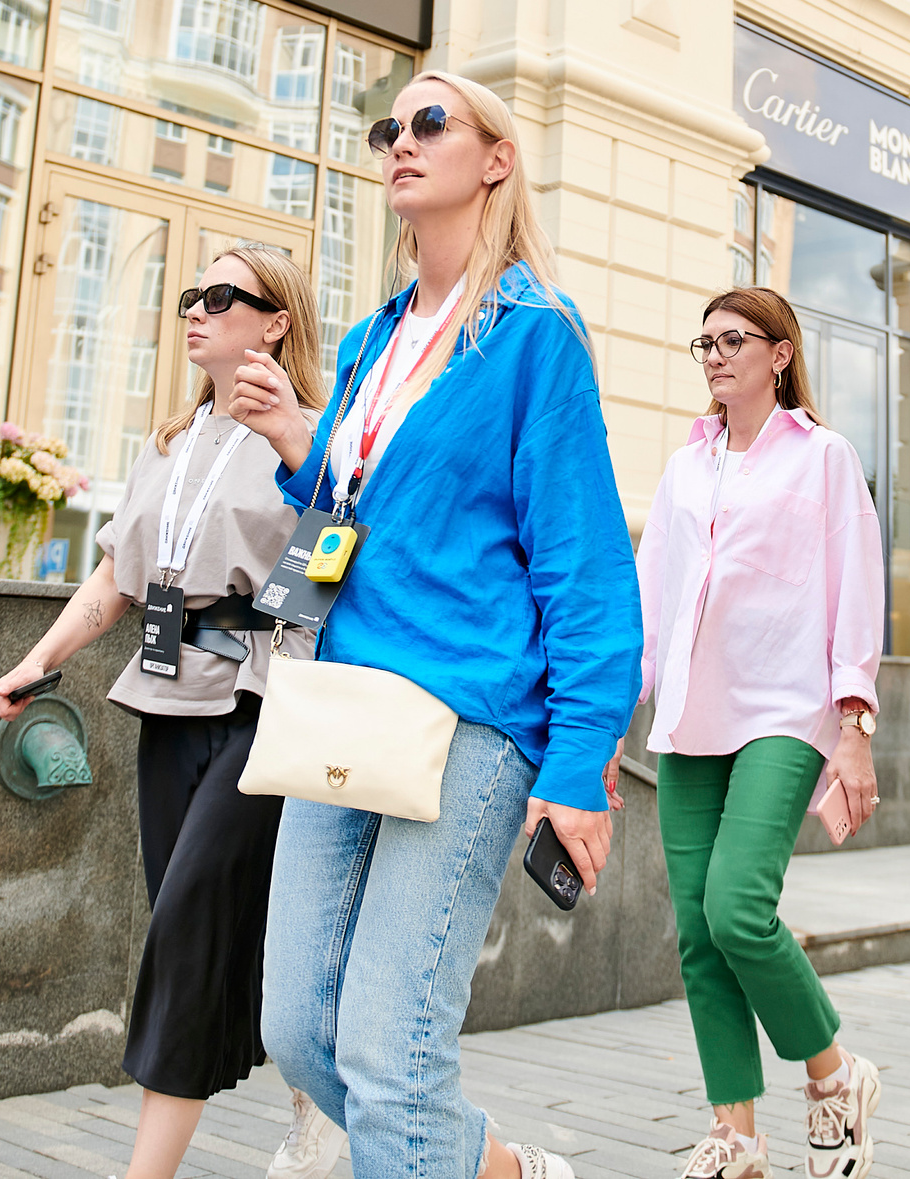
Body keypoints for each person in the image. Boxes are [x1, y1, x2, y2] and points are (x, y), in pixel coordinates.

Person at [230, 72, 640, 1179]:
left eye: (429, 124)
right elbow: (361, 507)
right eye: (385, 130)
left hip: (470, 717)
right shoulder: (369, 340)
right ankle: (501, 1170)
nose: (399, 144)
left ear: (495, 160)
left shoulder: (531, 335)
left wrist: (580, 760)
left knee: (387, 1052)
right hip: (347, 703)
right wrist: (289, 433)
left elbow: (584, 559)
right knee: (300, 1030)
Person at [0, 242, 346, 1179]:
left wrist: (234, 633)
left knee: (188, 921)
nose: (196, 308)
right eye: (191, 294)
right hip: (163, 704)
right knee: (231, 926)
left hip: (257, 708)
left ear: (275, 322)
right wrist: (39, 659)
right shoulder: (169, 443)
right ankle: (330, 1106)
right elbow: (116, 574)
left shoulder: (312, 436)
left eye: (222, 296)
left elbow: (325, 571)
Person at [635, 287, 887, 1179]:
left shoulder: (823, 456)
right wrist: (604, 718)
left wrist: (854, 723)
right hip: (691, 716)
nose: (713, 354)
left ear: (780, 354)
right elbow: (648, 602)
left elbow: (857, 583)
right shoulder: (683, 467)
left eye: (732, 339)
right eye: (702, 340)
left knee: (738, 908)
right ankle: (736, 1135)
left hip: (787, 707)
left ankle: (833, 1073)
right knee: (699, 933)